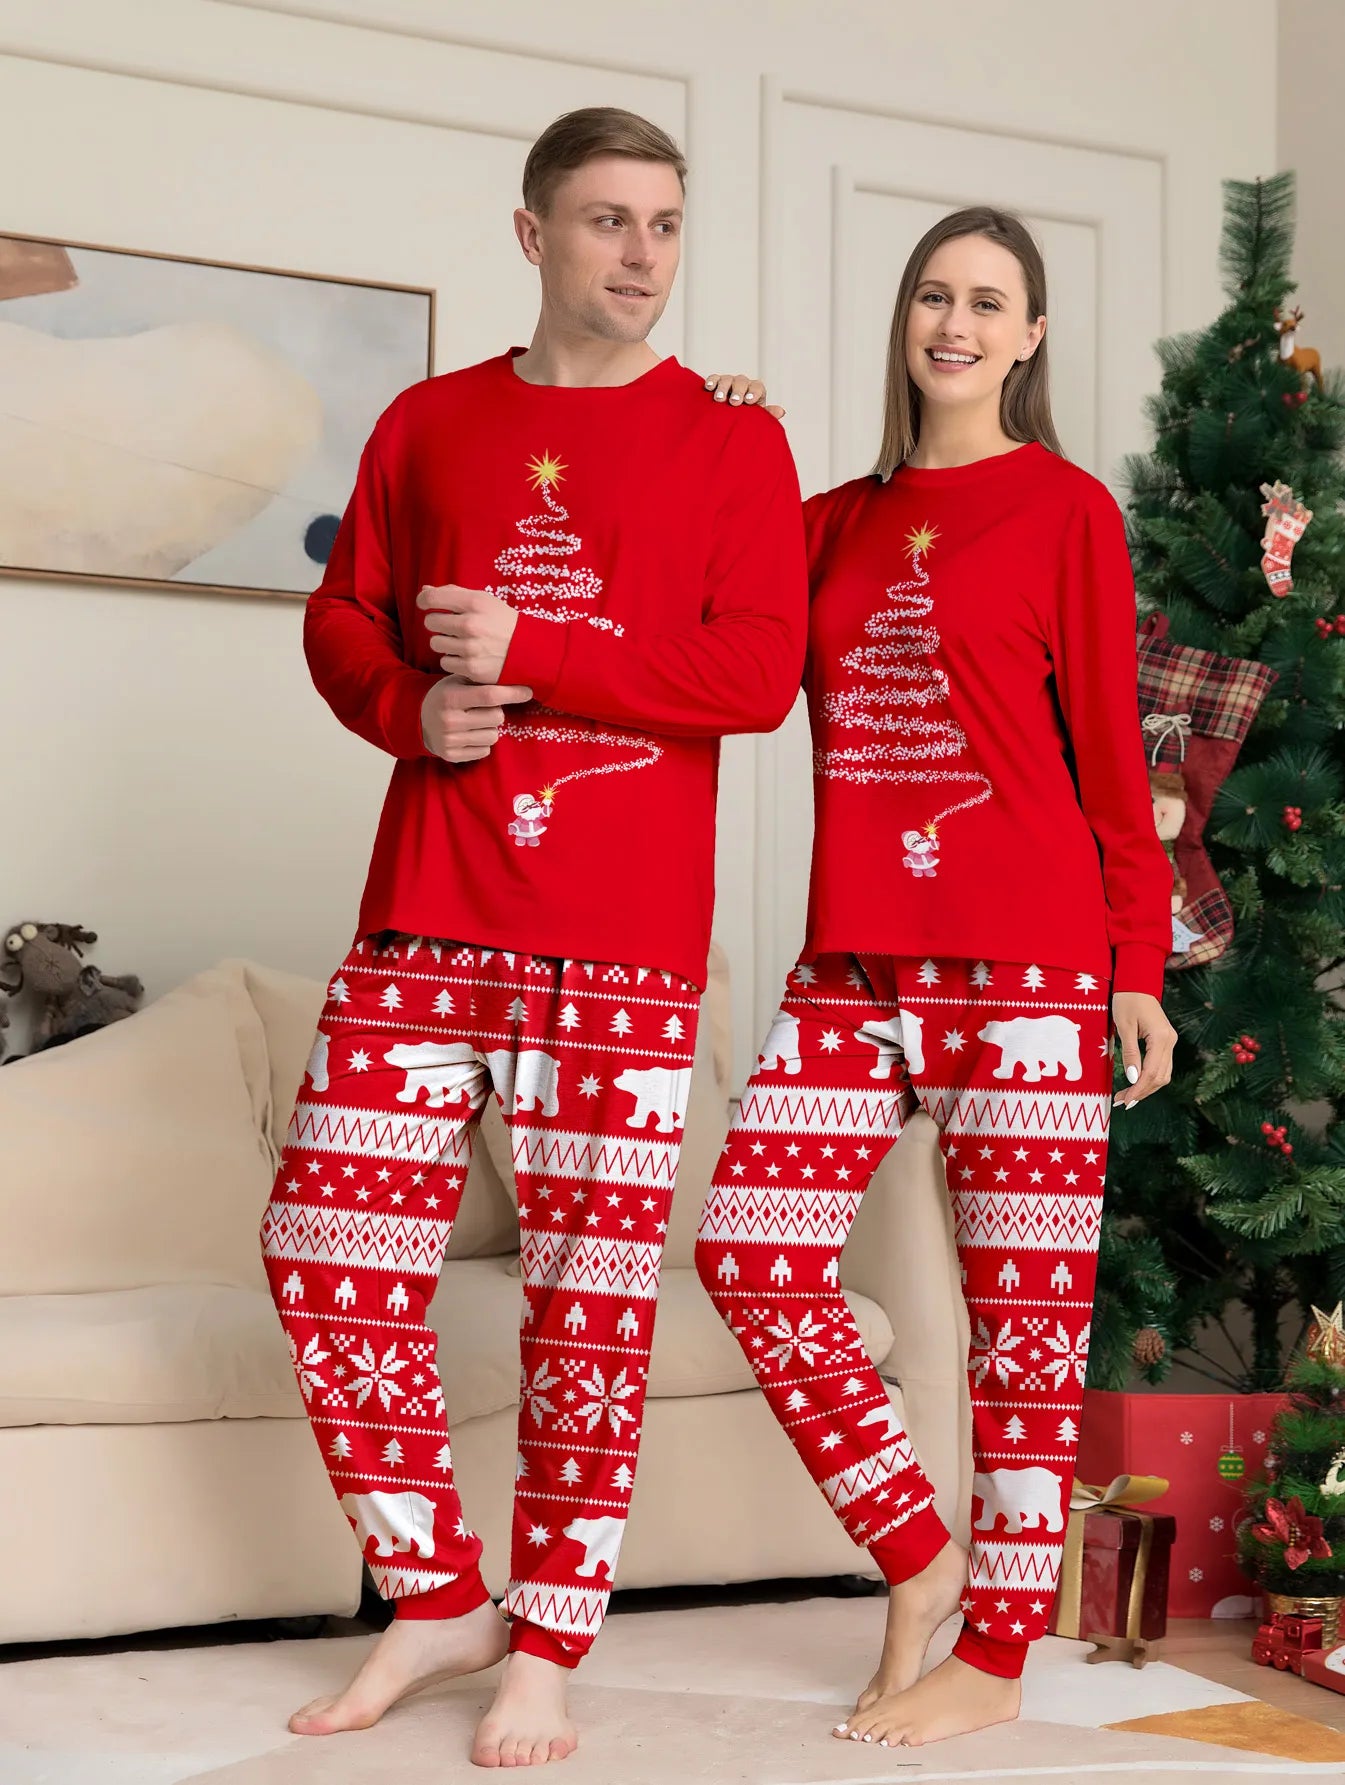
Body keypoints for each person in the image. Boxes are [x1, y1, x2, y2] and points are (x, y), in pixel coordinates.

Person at [260, 105, 806, 1769]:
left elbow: (755, 677)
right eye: (604, 221)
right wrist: (411, 706)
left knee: (590, 1303)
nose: (640, 254)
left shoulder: (732, 442)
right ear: (531, 236)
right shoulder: (427, 424)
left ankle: (547, 1644)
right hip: (430, 909)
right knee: (326, 1251)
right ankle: (434, 1590)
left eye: (661, 223)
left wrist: (540, 650)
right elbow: (342, 614)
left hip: (628, 943)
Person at [695, 208, 1176, 1749]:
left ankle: (995, 1647)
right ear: (903, 319)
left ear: (1028, 338)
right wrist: (713, 453)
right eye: (932, 294)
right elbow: (734, 662)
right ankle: (918, 1549)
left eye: (988, 302)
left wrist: (1133, 968)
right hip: (852, 959)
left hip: (1030, 969)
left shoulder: (1062, 512)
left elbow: (1112, 762)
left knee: (1024, 1324)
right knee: (750, 1251)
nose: (953, 323)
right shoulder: (828, 519)